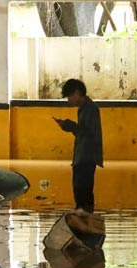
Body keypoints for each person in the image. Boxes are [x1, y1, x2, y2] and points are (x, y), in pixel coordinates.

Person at [53, 79, 103, 213]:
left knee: (83, 193)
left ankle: (85, 220)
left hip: (86, 157)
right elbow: (83, 132)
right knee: (80, 192)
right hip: (82, 157)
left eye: (69, 96)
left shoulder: (91, 109)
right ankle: (84, 219)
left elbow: (87, 133)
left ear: (77, 93)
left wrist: (70, 126)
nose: (68, 100)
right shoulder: (83, 109)